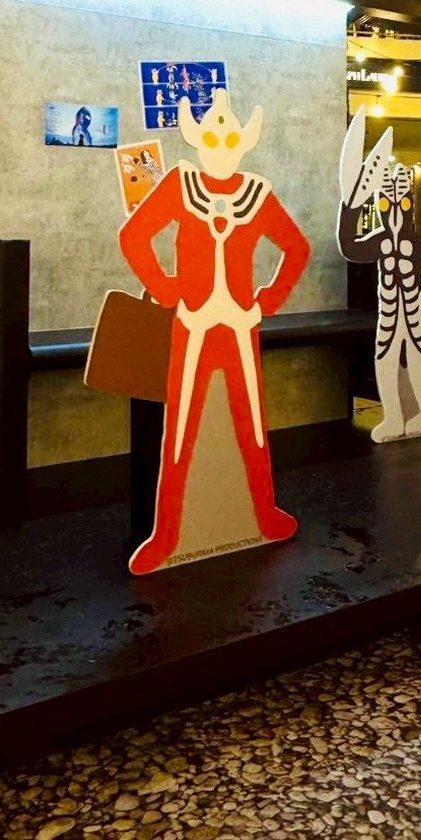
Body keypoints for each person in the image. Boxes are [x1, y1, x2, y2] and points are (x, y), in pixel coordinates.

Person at [119, 89, 310, 574]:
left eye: (228, 137)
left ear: (244, 142)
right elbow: (134, 236)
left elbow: (297, 248)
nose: (220, 145)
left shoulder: (257, 194)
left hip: (240, 325)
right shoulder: (180, 185)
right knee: (180, 428)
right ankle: (167, 535)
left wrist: (265, 301)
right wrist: (166, 289)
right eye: (211, 137)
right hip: (194, 323)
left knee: (252, 421)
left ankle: (265, 515)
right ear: (196, 140)